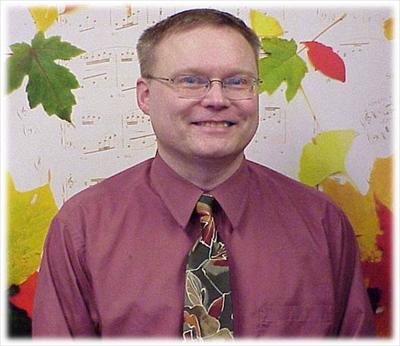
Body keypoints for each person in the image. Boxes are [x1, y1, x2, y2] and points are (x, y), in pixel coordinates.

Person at [32, 8, 375, 339]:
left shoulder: (321, 223)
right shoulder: (81, 228)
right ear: (146, 96)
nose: (216, 99)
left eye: (237, 81)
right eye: (191, 80)